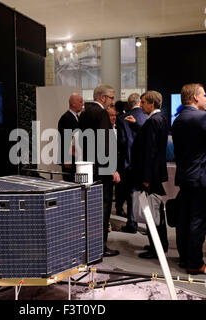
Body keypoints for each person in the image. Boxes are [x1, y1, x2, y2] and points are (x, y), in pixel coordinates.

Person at [171, 83, 206, 274]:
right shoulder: (203, 117)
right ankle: (195, 263)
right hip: (204, 179)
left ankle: (185, 258)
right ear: (195, 97)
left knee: (184, 219)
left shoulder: (177, 120)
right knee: (198, 222)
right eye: (204, 96)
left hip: (186, 177)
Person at [79, 84, 121, 257]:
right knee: (103, 208)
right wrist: (111, 168)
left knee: (90, 208)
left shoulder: (84, 113)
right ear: (102, 98)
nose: (113, 102)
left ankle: (90, 244)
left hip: (88, 167)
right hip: (102, 170)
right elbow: (105, 144)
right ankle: (100, 247)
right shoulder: (101, 112)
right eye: (111, 98)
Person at [131, 90, 169, 259]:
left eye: (143, 102)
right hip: (154, 173)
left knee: (153, 211)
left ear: (152, 104)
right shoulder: (158, 119)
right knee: (156, 210)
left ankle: (157, 248)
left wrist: (146, 178)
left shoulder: (154, 120)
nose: (141, 105)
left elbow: (150, 151)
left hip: (150, 175)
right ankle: (159, 244)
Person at [116, 93, 148, 233]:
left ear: (129, 104)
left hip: (128, 161)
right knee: (147, 194)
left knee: (131, 193)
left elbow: (122, 142)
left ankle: (132, 223)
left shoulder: (122, 118)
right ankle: (149, 225)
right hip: (144, 161)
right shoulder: (148, 116)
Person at [58, 93, 83, 182]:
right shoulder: (66, 118)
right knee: (70, 183)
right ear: (73, 104)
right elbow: (65, 139)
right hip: (70, 159)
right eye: (80, 102)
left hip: (76, 157)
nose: (82, 104)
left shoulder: (77, 117)